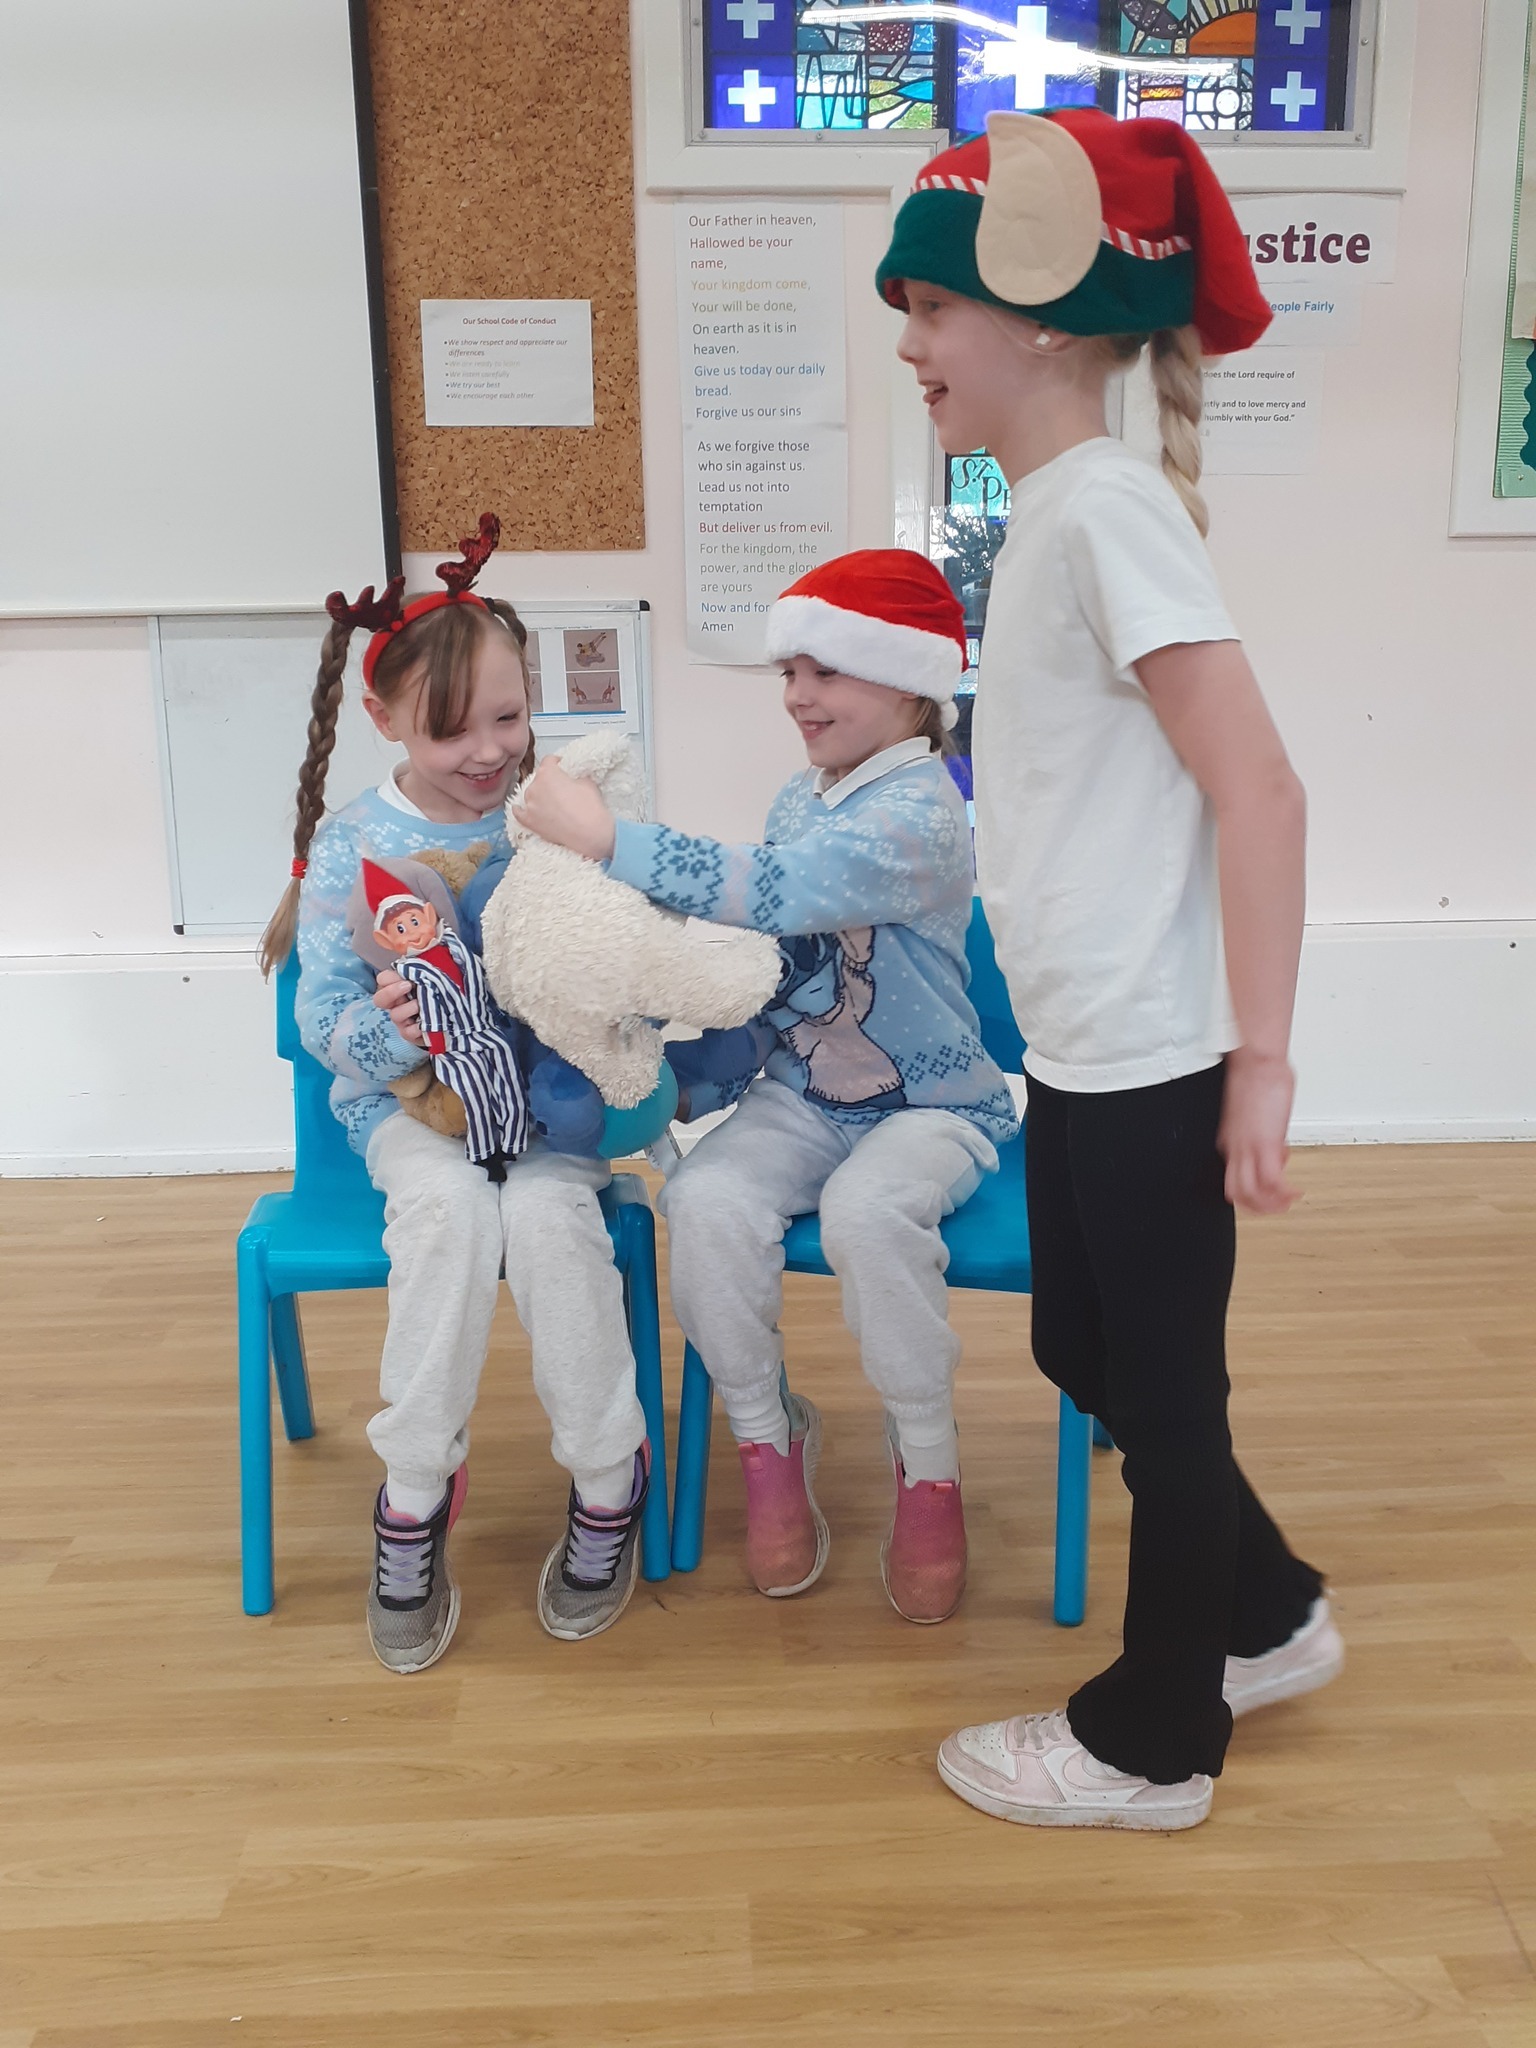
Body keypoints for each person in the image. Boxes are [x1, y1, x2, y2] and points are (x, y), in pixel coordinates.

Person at [877, 108, 1343, 1829]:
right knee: (1086, 1345)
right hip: (1080, 1046)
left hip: (1153, 1051)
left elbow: (1261, 787)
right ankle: (1268, 1614)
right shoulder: (1054, 518)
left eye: (933, 309)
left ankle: (1156, 1741)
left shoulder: (1105, 513)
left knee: (1162, 1389)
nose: (913, 346)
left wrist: (1261, 1061)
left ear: (1049, 320)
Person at [514, 550, 1018, 1625]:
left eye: (826, 670)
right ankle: (765, 1437)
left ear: (908, 680)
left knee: (869, 1213)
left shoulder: (925, 811)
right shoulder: (804, 794)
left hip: (932, 1107)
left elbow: (775, 892)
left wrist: (607, 840)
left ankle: (928, 1464)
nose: (797, 695)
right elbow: (780, 963)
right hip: (806, 1096)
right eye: (790, 671)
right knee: (702, 1201)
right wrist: (699, 1074)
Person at [258, 521, 650, 1671]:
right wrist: (392, 1030)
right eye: (451, 728)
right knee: (448, 1213)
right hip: (408, 1110)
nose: (488, 750)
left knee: (548, 1217)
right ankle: (414, 1492)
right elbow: (319, 1023)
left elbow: (629, 955)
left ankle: (607, 1476)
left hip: (547, 1102)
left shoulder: (558, 809)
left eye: (509, 717)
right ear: (383, 718)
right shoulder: (354, 844)